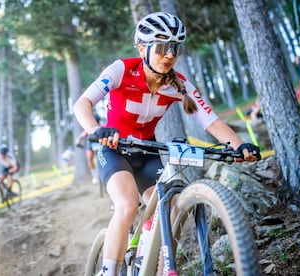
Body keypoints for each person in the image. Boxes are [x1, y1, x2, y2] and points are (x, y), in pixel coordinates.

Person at [73, 12, 261, 276]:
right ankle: (108, 271)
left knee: (168, 207)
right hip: (114, 150)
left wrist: (239, 145)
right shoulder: (122, 70)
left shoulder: (178, 85)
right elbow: (82, 104)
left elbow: (211, 120)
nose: (169, 54)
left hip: (148, 152)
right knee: (127, 206)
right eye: (161, 47)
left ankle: (158, 268)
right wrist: (96, 129)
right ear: (142, 48)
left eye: (175, 48)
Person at [75, 113, 102, 184]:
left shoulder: (102, 126)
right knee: (89, 159)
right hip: (90, 145)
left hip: (100, 144)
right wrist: (78, 142)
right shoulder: (89, 128)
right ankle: (95, 176)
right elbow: (81, 136)